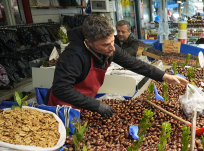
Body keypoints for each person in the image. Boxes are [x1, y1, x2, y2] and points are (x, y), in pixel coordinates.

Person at [45, 15, 188, 117]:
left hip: (84, 104)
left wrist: (163, 76)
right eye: (106, 45)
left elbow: (134, 63)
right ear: (89, 43)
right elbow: (61, 89)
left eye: (112, 41)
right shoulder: (73, 56)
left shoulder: (110, 47)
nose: (112, 48)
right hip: (63, 107)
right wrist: (96, 105)